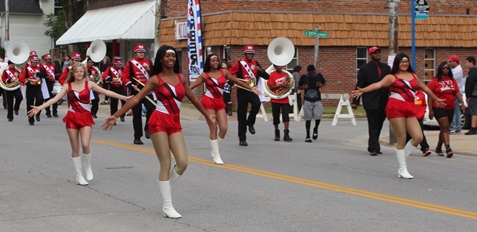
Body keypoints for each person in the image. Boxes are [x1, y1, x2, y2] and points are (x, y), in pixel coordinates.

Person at [102, 45, 216, 219]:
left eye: (173, 55)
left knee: (183, 162)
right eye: (167, 55)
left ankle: (165, 187)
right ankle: (167, 205)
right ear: (161, 59)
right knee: (166, 163)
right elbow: (137, 98)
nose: (171, 58)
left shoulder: (181, 78)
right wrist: (116, 114)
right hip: (158, 121)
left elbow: (193, 99)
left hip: (174, 122)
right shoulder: (155, 79)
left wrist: (208, 115)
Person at [27, 62, 130, 186]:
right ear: (73, 73)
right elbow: (54, 99)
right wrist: (39, 107)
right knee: (75, 148)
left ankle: (87, 166)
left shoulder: (89, 84)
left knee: (85, 144)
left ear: (84, 73)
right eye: (76, 71)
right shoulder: (67, 86)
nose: (79, 73)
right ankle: (79, 175)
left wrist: (124, 98)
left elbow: (107, 93)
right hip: (72, 117)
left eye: (81, 71)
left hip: (85, 117)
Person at [351, 53, 445, 179]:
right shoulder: (392, 77)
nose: (404, 64)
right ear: (397, 63)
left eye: (406, 61)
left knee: (418, 137)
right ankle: (402, 168)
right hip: (395, 107)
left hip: (409, 107)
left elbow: (425, 89)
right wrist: (362, 90)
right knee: (402, 137)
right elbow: (378, 85)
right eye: (402, 62)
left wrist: (436, 99)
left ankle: (401, 157)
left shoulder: (413, 76)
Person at [189, 54, 260, 164]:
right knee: (213, 128)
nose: (216, 62)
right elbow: (191, 87)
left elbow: (238, 81)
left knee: (224, 128)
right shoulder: (204, 75)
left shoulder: (224, 72)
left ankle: (214, 147)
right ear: (208, 63)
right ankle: (216, 155)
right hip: (208, 101)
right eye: (213, 61)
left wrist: (251, 88)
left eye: (217, 60)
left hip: (219, 101)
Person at [352, 47, 391, 156]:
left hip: (383, 100)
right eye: (375, 53)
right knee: (373, 123)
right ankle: (373, 147)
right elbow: (359, 85)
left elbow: (390, 84)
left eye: (379, 52)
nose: (378, 54)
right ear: (371, 55)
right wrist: (355, 101)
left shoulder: (386, 68)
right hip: (370, 100)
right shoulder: (365, 69)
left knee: (379, 123)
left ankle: (374, 144)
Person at [228, 45, 269, 146]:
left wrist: (261, 70)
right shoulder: (239, 63)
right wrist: (232, 83)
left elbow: (267, 77)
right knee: (241, 115)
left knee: (257, 104)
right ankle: (242, 138)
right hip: (242, 90)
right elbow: (228, 74)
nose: (250, 55)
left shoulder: (255, 64)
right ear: (245, 54)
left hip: (252, 90)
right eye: (248, 53)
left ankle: (250, 122)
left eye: (251, 53)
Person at [427, 61, 466, 157]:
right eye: (444, 68)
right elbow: (430, 95)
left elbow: (457, 92)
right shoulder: (435, 81)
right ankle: (448, 148)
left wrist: (462, 103)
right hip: (438, 107)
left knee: (445, 128)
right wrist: (431, 110)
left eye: (448, 68)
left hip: (450, 106)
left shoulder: (452, 80)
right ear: (440, 69)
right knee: (445, 127)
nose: (446, 70)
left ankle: (439, 147)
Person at [121, 44, 155, 145]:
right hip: (135, 90)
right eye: (139, 52)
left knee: (152, 108)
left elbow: (155, 75)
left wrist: (149, 69)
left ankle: (147, 128)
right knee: (137, 114)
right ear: (135, 53)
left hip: (147, 89)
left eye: (143, 52)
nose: (141, 54)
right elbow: (124, 77)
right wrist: (131, 85)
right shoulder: (131, 63)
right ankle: (137, 137)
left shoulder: (149, 62)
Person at [299, 65, 326, 143]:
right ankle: (307, 136)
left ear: (315, 71)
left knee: (318, 115)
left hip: (317, 99)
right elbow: (299, 86)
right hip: (307, 99)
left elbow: (324, 83)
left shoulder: (318, 75)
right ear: (307, 72)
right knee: (308, 118)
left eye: (313, 73)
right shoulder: (304, 77)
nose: (311, 74)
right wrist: (303, 87)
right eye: (310, 73)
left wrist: (321, 85)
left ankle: (316, 128)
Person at [267, 64, 293, 142]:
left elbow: (290, 86)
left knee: (286, 116)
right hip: (275, 99)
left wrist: (287, 85)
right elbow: (270, 87)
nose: (280, 67)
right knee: (276, 116)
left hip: (284, 99)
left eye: (281, 66)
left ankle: (286, 134)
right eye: (278, 66)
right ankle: (277, 134)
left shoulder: (286, 75)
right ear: (275, 67)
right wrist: (280, 85)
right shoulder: (272, 74)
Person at [19, 55, 46, 125]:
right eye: (34, 62)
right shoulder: (27, 69)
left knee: (40, 100)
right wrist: (28, 82)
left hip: (37, 87)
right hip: (30, 88)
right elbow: (21, 78)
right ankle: (31, 119)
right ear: (31, 62)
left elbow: (45, 75)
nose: (35, 63)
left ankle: (37, 113)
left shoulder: (40, 68)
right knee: (30, 104)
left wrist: (37, 73)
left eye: (36, 62)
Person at [406, 89, 431, 156]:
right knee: (408, 134)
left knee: (420, 133)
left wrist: (421, 114)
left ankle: (424, 148)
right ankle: (407, 147)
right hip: (410, 117)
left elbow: (423, 105)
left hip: (419, 117)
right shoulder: (408, 94)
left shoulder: (421, 94)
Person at [102, 56, 126, 123]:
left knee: (124, 101)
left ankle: (122, 115)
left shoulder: (122, 68)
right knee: (113, 104)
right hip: (113, 87)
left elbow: (126, 75)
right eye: (117, 65)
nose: (119, 66)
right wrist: (111, 79)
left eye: (119, 64)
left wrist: (122, 75)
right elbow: (104, 75)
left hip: (121, 87)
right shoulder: (109, 69)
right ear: (114, 64)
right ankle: (113, 118)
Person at [448, 55, 464, 134]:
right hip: (457, 92)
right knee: (456, 111)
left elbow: (450, 78)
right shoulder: (456, 69)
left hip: (455, 92)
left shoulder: (457, 71)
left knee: (453, 110)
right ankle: (457, 127)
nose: (450, 63)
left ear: (455, 61)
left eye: (451, 61)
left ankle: (453, 127)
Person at [464, 56, 477, 135]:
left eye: (467, 62)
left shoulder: (473, 72)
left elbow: (470, 84)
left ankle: (473, 128)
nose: (466, 64)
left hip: (474, 95)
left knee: (474, 112)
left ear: (471, 62)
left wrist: (468, 94)